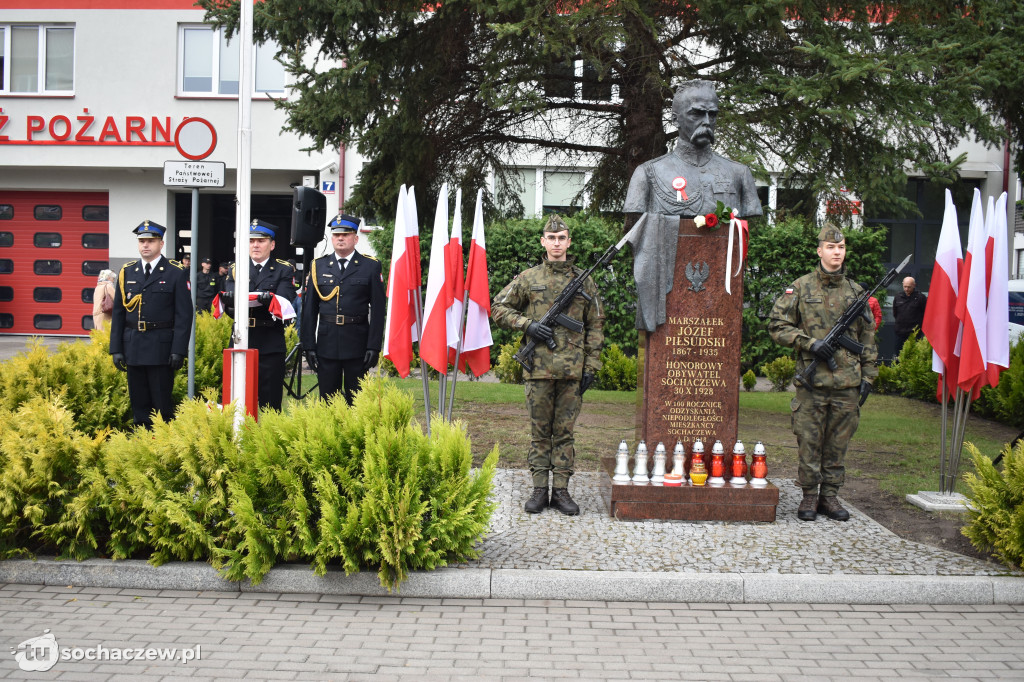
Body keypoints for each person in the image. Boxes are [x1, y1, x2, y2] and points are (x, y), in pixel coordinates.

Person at [623, 79, 762, 332]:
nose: (706, 122)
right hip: (669, 303)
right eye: (697, 113)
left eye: (712, 114)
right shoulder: (649, 174)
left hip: (720, 296)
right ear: (675, 119)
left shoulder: (739, 175)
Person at [491, 214, 604, 516]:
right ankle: (540, 489)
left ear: (569, 242)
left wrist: (592, 365)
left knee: (565, 433)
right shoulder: (529, 278)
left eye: (562, 238)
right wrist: (527, 325)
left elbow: (595, 324)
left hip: (572, 370)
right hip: (538, 368)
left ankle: (562, 491)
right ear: (543, 241)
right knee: (540, 432)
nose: (556, 243)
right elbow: (498, 309)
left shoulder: (584, 280)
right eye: (551, 238)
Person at [768, 223, 878, 522]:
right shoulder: (800, 287)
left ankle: (830, 497)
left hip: (846, 385)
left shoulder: (856, 292)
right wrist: (810, 343)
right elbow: (777, 326)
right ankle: (809, 497)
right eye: (831, 247)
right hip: (812, 383)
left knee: (838, 444)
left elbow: (867, 338)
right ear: (820, 251)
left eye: (840, 248)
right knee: (809, 441)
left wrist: (868, 377)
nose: (836, 253)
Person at [109, 220, 193, 428]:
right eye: (142, 241)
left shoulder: (175, 271)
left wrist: (179, 350)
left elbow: (184, 314)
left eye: (151, 241)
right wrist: (116, 349)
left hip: (161, 349)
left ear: (161, 244)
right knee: (139, 403)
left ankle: (162, 443)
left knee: (162, 403)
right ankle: (141, 443)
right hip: (133, 347)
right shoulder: (127, 271)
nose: (145, 245)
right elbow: (118, 313)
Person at [301, 214, 385, 405]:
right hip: (327, 344)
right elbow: (310, 310)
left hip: (358, 345)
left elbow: (379, 310)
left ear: (355, 239)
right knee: (328, 401)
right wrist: (309, 346)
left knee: (357, 402)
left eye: (346, 234)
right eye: (336, 234)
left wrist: (373, 346)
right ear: (331, 238)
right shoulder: (318, 265)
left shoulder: (370, 266)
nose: (340, 238)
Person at [220, 220, 296, 411]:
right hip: (241, 339)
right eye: (251, 240)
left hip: (269, 340)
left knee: (270, 403)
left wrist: (266, 301)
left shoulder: (283, 269)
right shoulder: (235, 268)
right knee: (237, 400)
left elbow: (284, 301)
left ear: (272, 244)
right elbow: (230, 304)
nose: (255, 245)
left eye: (261, 241)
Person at [893, 276, 927, 354]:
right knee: (899, 355)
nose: (906, 289)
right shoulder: (898, 297)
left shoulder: (920, 297)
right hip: (900, 332)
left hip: (914, 333)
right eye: (905, 287)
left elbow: (924, 313)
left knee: (914, 355)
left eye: (909, 287)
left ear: (914, 285)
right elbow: (895, 313)